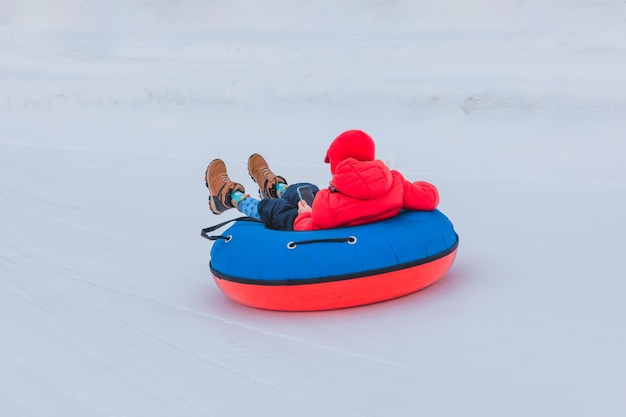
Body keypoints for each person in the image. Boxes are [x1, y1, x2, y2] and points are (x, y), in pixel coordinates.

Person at [204, 129, 440, 231]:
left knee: (276, 210)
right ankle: (275, 186)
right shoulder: (397, 183)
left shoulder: (330, 203)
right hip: (345, 212)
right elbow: (430, 196)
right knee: (306, 190)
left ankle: (229, 197)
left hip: (321, 222)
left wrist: (305, 214)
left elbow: (308, 229)